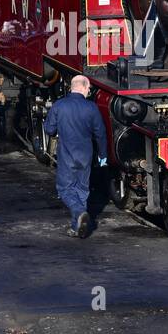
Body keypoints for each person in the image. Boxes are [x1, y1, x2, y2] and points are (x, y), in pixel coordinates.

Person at [44, 75, 107, 238]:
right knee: (82, 189)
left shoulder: (59, 105)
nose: (89, 92)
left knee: (65, 189)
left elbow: (49, 130)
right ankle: (77, 227)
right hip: (86, 154)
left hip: (67, 154)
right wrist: (103, 155)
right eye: (89, 89)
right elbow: (100, 133)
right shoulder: (91, 107)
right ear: (85, 87)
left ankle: (79, 213)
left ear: (71, 87)